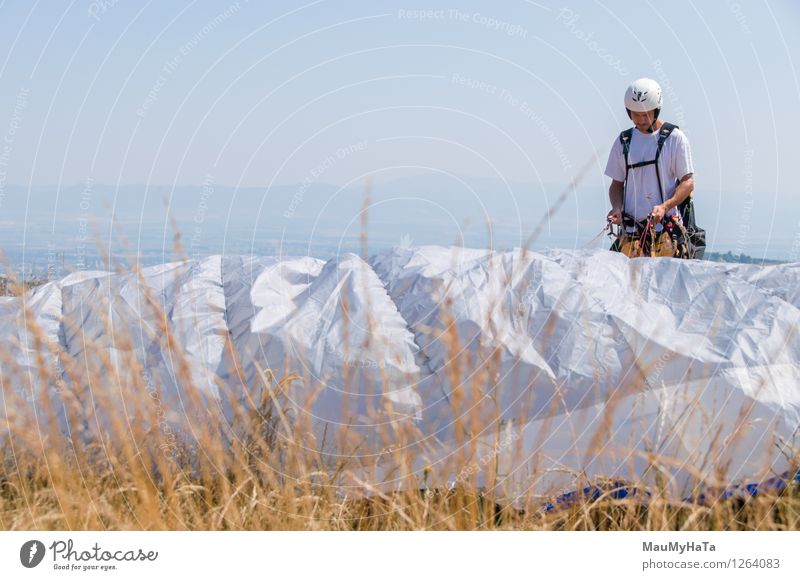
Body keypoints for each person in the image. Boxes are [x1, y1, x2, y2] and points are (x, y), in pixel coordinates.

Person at [604, 78, 702, 258]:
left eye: (646, 114)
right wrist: (616, 208)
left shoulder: (675, 139)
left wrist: (665, 206)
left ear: (656, 110)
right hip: (632, 235)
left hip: (666, 233)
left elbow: (688, 183)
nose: (640, 120)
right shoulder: (623, 142)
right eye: (635, 114)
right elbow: (616, 184)